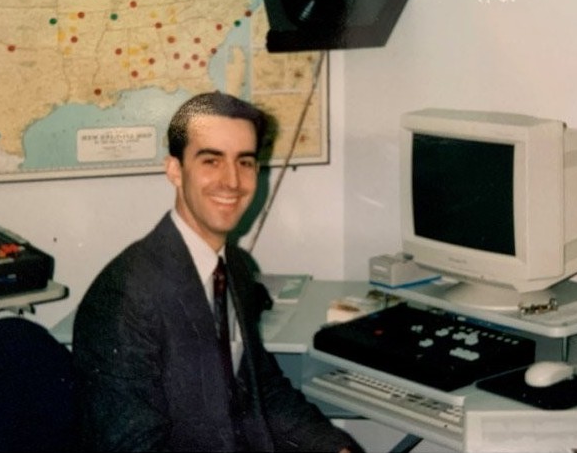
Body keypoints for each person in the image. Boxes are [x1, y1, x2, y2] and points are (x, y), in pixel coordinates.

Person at [73, 92, 362, 452]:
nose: (232, 181)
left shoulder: (235, 269)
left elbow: (262, 388)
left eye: (245, 162)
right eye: (211, 161)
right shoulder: (124, 297)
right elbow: (133, 446)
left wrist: (334, 447)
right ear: (175, 170)